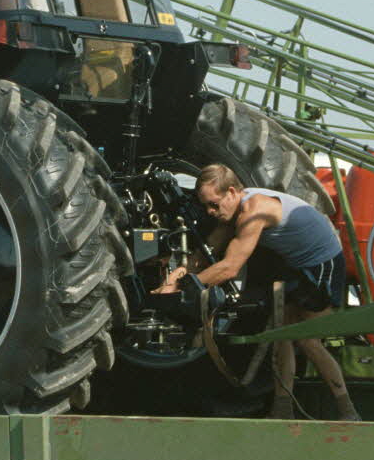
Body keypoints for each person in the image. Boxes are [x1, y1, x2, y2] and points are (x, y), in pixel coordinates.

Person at [153, 163, 360, 421]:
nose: (210, 211)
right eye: (206, 206)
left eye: (214, 204)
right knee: (283, 336)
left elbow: (229, 268)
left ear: (231, 191)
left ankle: (348, 411)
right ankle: (282, 411)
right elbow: (208, 251)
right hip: (299, 267)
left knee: (308, 340)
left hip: (323, 267)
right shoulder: (234, 209)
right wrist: (175, 276)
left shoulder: (254, 211)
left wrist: (180, 291)